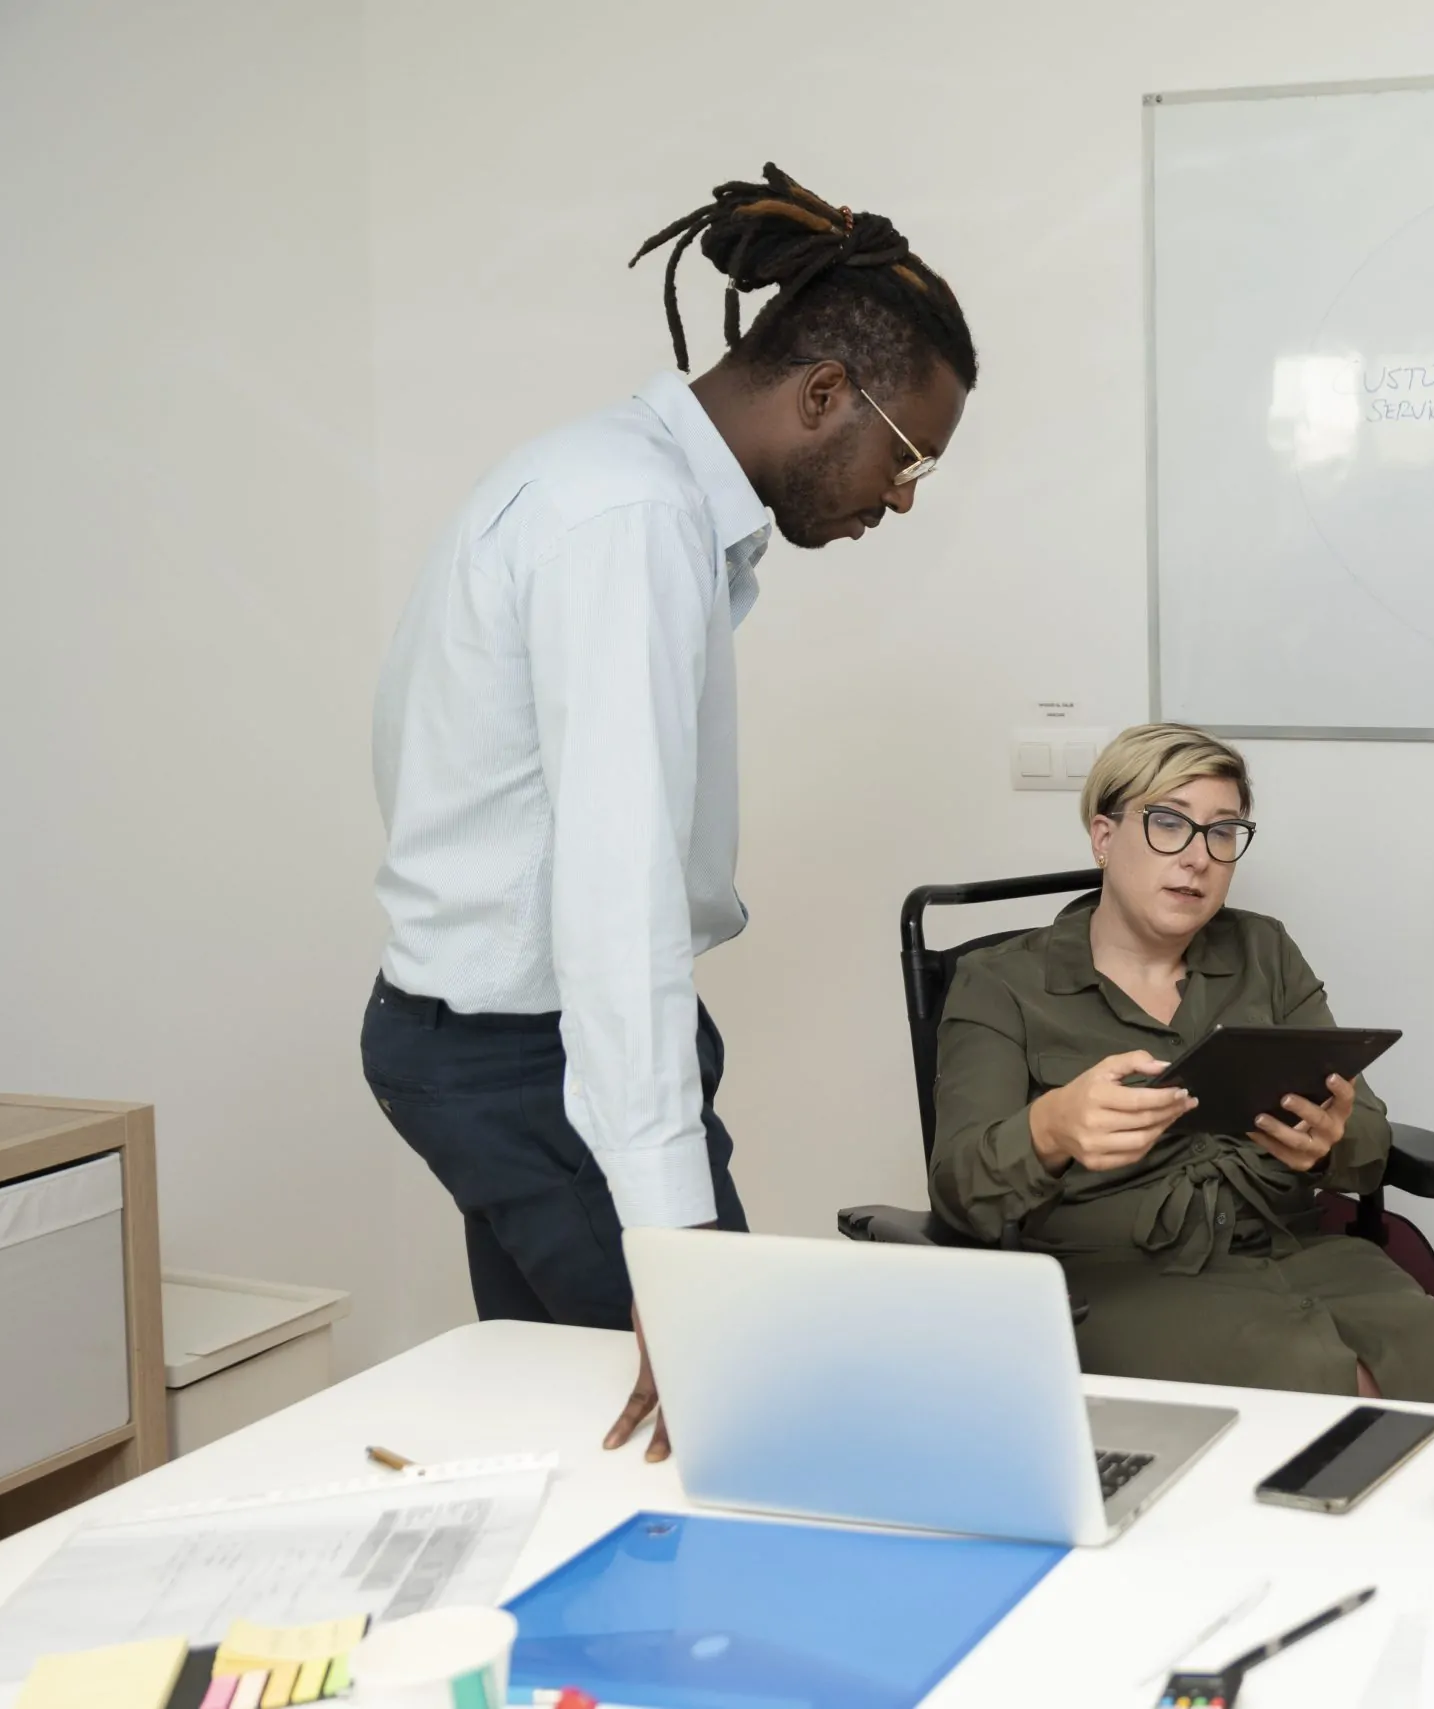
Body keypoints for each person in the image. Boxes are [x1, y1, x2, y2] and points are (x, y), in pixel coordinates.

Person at [364, 165, 977, 1463]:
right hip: (528, 1054)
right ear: (825, 392)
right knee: (730, 1418)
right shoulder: (627, 517)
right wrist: (674, 1232)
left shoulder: (605, 481)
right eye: (908, 456)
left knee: (579, 1424)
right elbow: (613, 895)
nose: (903, 496)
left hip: (503, 1038)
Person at [932, 723, 1434, 1405]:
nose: (1197, 857)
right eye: (1168, 823)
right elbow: (960, 1189)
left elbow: (1367, 1132)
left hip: (1293, 1247)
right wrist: (1050, 1129)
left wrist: (1330, 1142)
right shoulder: (1001, 983)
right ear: (1104, 835)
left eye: (1222, 832)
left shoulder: (1264, 951)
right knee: (1313, 1381)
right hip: (1121, 1279)